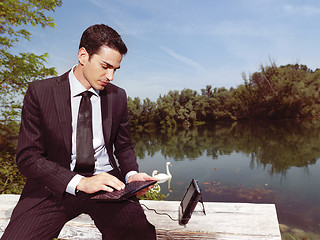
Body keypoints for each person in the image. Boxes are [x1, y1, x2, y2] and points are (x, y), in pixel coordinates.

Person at [1, 24, 157, 240]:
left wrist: (132, 175)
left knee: (138, 235)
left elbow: (124, 146)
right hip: (54, 185)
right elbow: (28, 157)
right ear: (83, 56)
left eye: (115, 69)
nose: (110, 76)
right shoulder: (40, 92)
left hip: (107, 184)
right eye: (105, 66)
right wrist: (80, 182)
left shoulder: (117, 96)